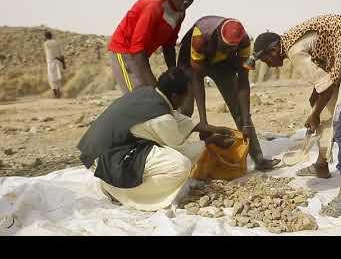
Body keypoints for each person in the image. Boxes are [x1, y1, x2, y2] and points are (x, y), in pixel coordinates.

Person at [251, 14, 341, 217]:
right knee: (322, 104)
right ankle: (321, 164)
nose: (267, 64)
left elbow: (326, 87)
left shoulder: (293, 51)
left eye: (266, 59)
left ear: (275, 49)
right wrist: (316, 106)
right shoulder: (290, 41)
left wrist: (314, 115)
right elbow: (322, 80)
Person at [77, 67, 231, 211]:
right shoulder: (161, 118)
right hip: (107, 159)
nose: (186, 100)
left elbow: (174, 117)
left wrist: (212, 129)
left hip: (103, 151)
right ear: (175, 96)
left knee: (164, 153)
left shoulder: (149, 93)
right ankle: (119, 192)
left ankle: (116, 184)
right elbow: (182, 150)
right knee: (179, 165)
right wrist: (211, 141)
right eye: (186, 95)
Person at [177, 16, 280, 171]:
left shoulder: (244, 42)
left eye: (233, 48)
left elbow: (243, 81)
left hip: (222, 65)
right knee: (184, 111)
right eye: (226, 47)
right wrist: (204, 123)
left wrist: (245, 122)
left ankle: (258, 159)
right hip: (191, 64)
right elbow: (197, 79)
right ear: (218, 35)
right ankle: (176, 162)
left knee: (239, 109)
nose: (230, 50)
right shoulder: (200, 37)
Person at [107, 0, 199, 94]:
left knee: (149, 95)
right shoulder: (154, 6)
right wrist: (154, 86)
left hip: (140, 54)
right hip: (124, 51)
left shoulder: (180, 13)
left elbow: (169, 45)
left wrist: (174, 73)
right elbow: (137, 48)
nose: (186, 2)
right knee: (136, 96)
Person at [43, 31, 65, 98]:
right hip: (58, 62)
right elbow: (61, 54)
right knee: (58, 78)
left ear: (46, 36)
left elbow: (49, 54)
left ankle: (56, 95)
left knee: (52, 79)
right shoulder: (56, 42)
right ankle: (59, 93)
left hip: (51, 62)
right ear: (51, 35)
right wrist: (64, 63)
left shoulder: (46, 43)